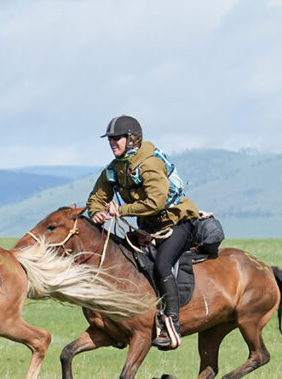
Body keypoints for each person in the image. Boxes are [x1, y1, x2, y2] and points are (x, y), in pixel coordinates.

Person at [86, 115, 200, 350]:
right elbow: (97, 196)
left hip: (176, 224)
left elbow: (156, 202)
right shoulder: (115, 168)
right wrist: (96, 211)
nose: (112, 142)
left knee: (161, 266)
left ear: (132, 139)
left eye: (117, 138)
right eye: (110, 139)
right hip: (148, 228)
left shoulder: (149, 163)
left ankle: (172, 324)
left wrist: (122, 210)